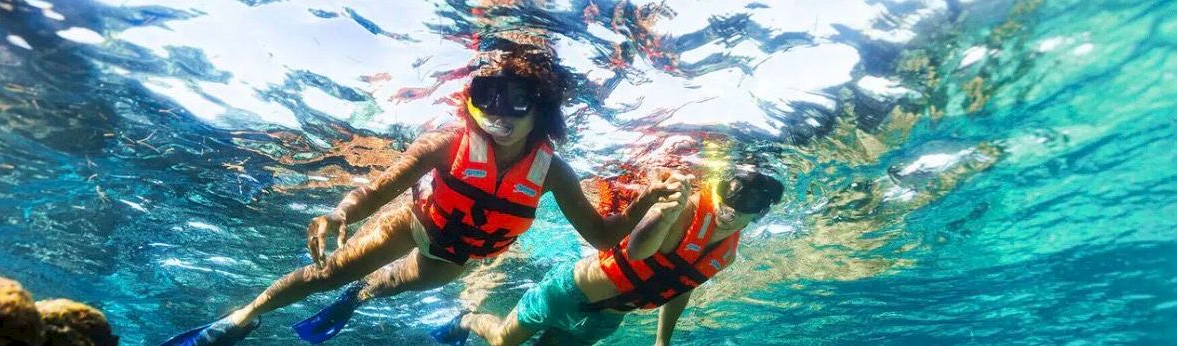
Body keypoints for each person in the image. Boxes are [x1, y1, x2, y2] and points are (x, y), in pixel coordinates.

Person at [160, 32, 684, 346]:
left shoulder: (553, 171)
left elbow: (600, 236)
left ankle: (357, 297)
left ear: (541, 109)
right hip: (413, 225)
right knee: (324, 273)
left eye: (515, 101)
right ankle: (242, 318)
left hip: (453, 260)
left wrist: (645, 201)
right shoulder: (446, 144)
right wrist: (342, 210)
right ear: (472, 99)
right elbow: (380, 185)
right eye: (487, 97)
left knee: (381, 287)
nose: (498, 113)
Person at [431, 169, 784, 346]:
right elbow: (637, 250)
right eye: (727, 195)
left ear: (762, 212)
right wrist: (665, 213)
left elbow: (681, 287)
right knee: (502, 341)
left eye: (748, 205)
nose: (729, 208)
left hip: (606, 320)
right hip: (567, 294)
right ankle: (467, 318)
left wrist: (662, 341)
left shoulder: (728, 255)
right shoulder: (685, 211)